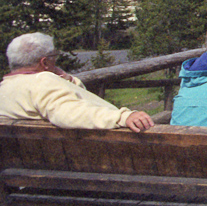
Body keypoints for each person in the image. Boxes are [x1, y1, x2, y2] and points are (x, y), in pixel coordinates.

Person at [0, 32, 153, 132]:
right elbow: (69, 113)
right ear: (45, 62)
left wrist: (69, 81)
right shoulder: (42, 81)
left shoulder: (5, 87)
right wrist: (121, 117)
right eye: (54, 56)